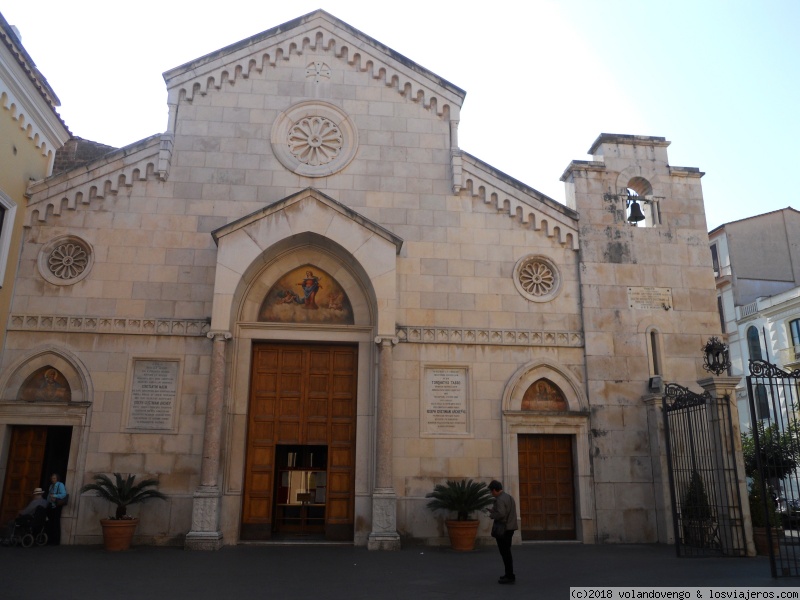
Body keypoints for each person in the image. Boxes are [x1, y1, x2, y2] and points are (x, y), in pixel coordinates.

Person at [488, 480, 518, 585]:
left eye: (491, 492)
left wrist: (492, 515)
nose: (492, 494)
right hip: (510, 528)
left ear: (495, 490)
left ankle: (509, 575)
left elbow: (501, 514)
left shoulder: (499, 499)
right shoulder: (509, 497)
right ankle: (508, 574)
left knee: (505, 553)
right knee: (507, 552)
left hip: (503, 529)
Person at [46, 473, 67, 545]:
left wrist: (55, 495)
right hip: (51, 505)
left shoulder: (60, 485)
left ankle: (56, 540)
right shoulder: (51, 486)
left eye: (54, 478)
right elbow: (49, 495)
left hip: (57, 506)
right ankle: (50, 539)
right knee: (50, 522)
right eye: (52, 478)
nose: (53, 479)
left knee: (56, 523)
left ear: (57, 478)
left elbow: (64, 494)